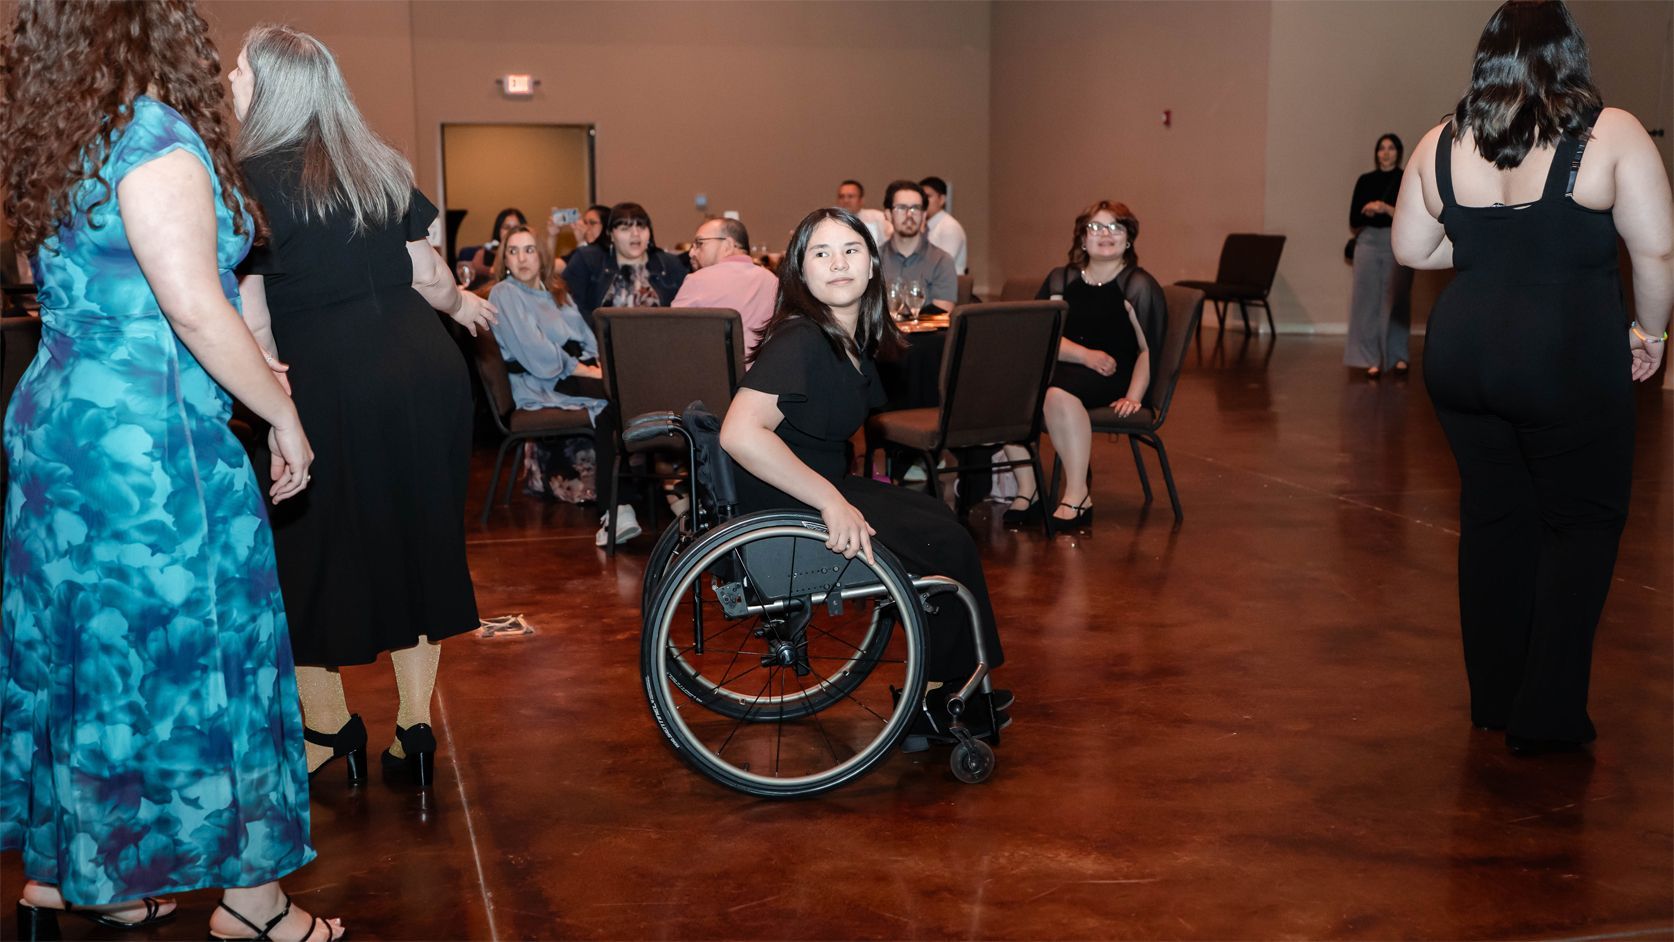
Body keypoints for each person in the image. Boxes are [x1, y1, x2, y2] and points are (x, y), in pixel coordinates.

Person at [0, 3, 342, 940]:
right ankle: (255, 905)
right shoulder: (157, 140)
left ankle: (83, 875)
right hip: (146, 451)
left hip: (61, 423)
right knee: (205, 655)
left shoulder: (62, 141)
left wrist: (228, 356)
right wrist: (283, 415)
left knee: (90, 656)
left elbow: (79, 289)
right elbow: (192, 307)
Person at [1392, 0, 1672, 755]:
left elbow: (1415, 251)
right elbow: (1656, 254)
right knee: (1580, 527)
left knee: (1493, 521)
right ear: (1571, 55)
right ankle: (1545, 717)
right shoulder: (1612, 133)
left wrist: (1493, 255)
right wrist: (1650, 334)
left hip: (1461, 359)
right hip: (1565, 358)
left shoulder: (1441, 140)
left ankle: (1493, 699)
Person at [232, 24, 495, 788]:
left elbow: (253, 318)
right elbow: (431, 276)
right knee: (422, 544)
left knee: (307, 557)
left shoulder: (245, 179)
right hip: (424, 373)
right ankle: (414, 732)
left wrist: (272, 404)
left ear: (274, 85)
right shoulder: (379, 165)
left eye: (242, 67)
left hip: (329, 383)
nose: (230, 76)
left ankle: (328, 729)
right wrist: (465, 306)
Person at [719, 207, 1010, 743]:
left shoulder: (843, 334)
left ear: (873, 266)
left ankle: (954, 685)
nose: (838, 264)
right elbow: (739, 434)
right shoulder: (801, 340)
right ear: (799, 273)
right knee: (943, 541)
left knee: (938, 520)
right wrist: (831, 501)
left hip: (817, 485)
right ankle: (951, 694)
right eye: (820, 253)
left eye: (851, 251)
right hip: (792, 502)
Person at [1004, 201, 1161, 531]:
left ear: (1129, 239)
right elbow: (1038, 333)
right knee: (1008, 396)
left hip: (1113, 376)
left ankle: (1078, 494)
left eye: (1115, 228)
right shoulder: (1062, 279)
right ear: (1082, 238)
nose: (1106, 235)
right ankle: (1028, 489)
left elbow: (1149, 350)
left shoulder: (1138, 285)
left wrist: (1135, 395)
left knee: (1055, 395)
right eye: (1096, 227)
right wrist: (1082, 354)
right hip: (1065, 367)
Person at [488, 225, 607, 502]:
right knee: (617, 400)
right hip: (541, 381)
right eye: (513, 252)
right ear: (504, 260)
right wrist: (587, 370)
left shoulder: (554, 291)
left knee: (628, 390)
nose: (521, 259)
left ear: (541, 255)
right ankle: (614, 502)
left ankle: (627, 493)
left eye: (529, 250)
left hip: (569, 372)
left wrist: (598, 365)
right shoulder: (504, 293)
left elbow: (587, 338)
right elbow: (537, 351)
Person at [1345, 134, 1413, 377]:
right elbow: (1354, 220)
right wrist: (1370, 212)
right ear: (1376, 153)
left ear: (1399, 152)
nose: (1386, 153)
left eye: (1391, 148)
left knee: (1396, 300)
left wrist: (1384, 208)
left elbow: (1410, 217)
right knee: (1367, 302)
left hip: (1395, 242)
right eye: (1381, 148)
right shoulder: (1365, 180)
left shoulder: (1406, 178)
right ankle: (1370, 358)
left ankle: (1398, 356)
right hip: (1368, 243)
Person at [561, 201, 687, 328]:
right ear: (611, 235)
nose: (635, 234)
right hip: (600, 344)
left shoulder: (669, 264)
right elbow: (570, 308)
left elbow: (684, 317)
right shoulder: (588, 260)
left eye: (641, 227)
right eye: (625, 229)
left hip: (658, 342)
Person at [672, 216, 779, 357]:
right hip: (764, 375)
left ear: (728, 245)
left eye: (699, 243)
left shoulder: (698, 280)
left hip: (712, 375)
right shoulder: (772, 281)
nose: (691, 252)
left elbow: (671, 335)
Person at [878, 180, 957, 314]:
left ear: (924, 215)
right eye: (901, 208)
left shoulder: (942, 261)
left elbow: (942, 315)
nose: (909, 215)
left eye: (916, 208)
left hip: (925, 335)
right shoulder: (873, 259)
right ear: (888, 214)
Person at [920, 175, 969, 275]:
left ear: (942, 199)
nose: (923, 201)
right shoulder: (925, 226)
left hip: (948, 286)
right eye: (921, 197)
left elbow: (942, 265)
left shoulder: (949, 227)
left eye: (928, 196)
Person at [465, 206, 526, 281]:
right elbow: (474, 268)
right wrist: (491, 271)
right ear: (498, 230)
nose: (511, 231)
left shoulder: (527, 255)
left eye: (516, 227)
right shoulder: (484, 253)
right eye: (506, 227)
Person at [836, 178, 891, 248]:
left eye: (850, 196)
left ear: (861, 200)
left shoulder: (878, 217)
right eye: (841, 197)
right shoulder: (832, 222)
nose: (845, 200)